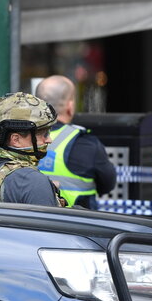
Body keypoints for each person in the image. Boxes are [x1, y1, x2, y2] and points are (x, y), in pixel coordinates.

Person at [35, 75, 116, 209]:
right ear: (70, 106)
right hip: (76, 225)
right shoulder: (85, 143)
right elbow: (107, 185)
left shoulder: (21, 138)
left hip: (30, 222)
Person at [0, 92, 62, 206]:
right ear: (16, 140)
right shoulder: (33, 181)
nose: (49, 140)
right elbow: (49, 223)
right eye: (44, 134)